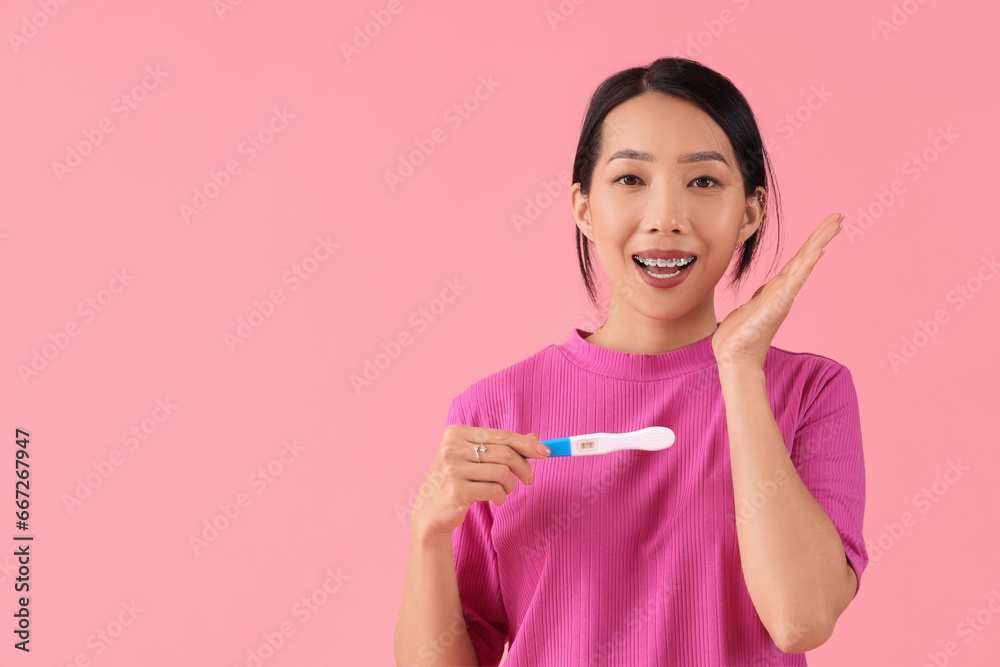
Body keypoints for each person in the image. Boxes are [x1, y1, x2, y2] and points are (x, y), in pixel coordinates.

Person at [394, 56, 867, 666]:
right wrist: (429, 535)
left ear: (749, 212)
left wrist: (741, 369)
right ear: (584, 208)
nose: (666, 218)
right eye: (629, 180)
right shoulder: (494, 411)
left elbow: (801, 619)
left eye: (703, 182)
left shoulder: (809, 392)